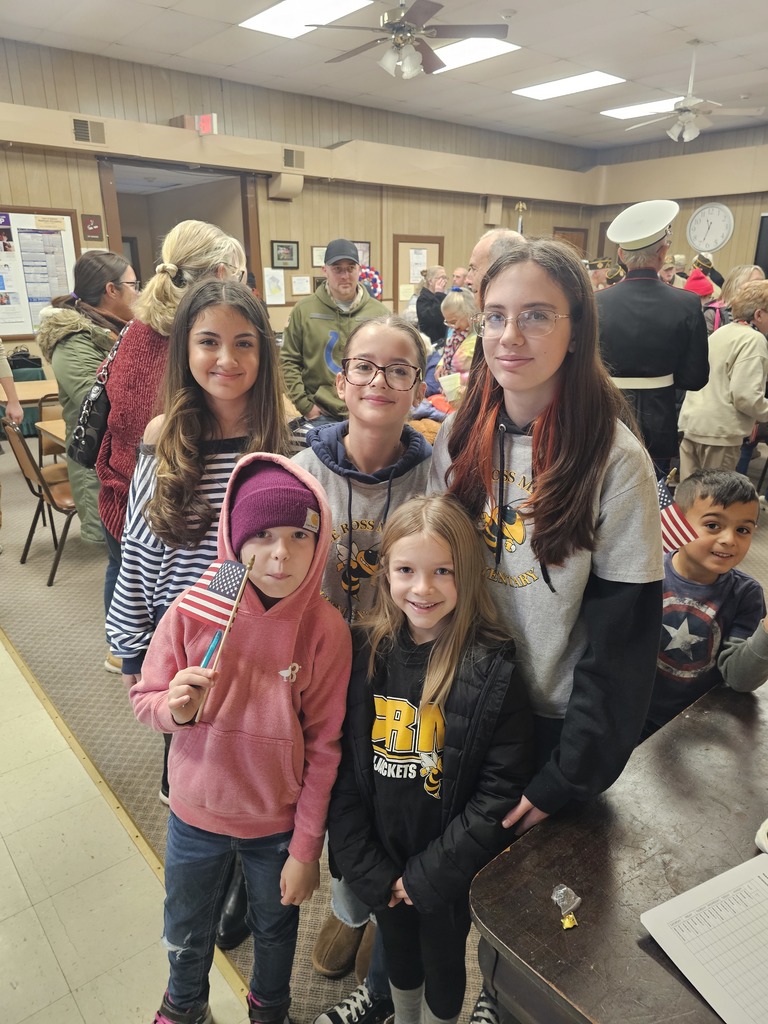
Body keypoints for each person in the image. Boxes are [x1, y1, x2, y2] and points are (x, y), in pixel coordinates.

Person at [428, 238, 662, 882]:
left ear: (576, 327)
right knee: (446, 860)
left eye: (536, 314)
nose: (511, 335)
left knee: (533, 891)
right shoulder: (458, 434)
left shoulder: (614, 459)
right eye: (496, 315)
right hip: (468, 699)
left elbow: (624, 640)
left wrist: (571, 772)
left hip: (553, 723)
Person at [130, 452, 352, 1024]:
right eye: (263, 536)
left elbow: (326, 747)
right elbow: (144, 700)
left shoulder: (325, 630)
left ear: (320, 537)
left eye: (300, 536)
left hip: (274, 825)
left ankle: (269, 1008)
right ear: (235, 537)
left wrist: (306, 849)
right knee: (185, 926)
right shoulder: (198, 607)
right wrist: (173, 709)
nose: (281, 554)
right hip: (194, 814)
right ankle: (183, 1006)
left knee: (275, 930)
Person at [328, 495, 534, 1024]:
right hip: (381, 863)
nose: (423, 588)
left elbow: (498, 793)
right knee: (398, 957)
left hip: (445, 875)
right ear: (386, 573)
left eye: (442, 571)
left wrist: (427, 877)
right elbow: (344, 769)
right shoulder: (363, 653)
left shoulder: (493, 667)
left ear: (467, 574)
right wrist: (369, 867)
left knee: (443, 966)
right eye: (406, 570)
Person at [294, 315, 431, 1024]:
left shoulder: (437, 473)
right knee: (332, 792)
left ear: (418, 384)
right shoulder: (301, 472)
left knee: (395, 797)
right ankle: (350, 907)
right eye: (365, 367)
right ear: (341, 380)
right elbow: (244, 563)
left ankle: (377, 916)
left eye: (399, 369)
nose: (380, 381)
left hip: (401, 669)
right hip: (320, 670)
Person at [97, 220, 246, 664]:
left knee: (127, 576)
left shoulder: (133, 329)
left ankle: (128, 650)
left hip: (121, 486)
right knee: (168, 634)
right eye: (238, 276)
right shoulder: (189, 349)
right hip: (170, 512)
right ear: (220, 276)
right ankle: (135, 654)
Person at [642, 470, 768, 739]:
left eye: (743, 529)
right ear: (679, 523)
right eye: (713, 525)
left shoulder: (746, 594)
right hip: (631, 713)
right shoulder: (647, 574)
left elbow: (740, 678)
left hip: (697, 724)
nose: (729, 539)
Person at [596, 199, 708, 472]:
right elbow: (695, 379)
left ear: (621, 256)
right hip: (658, 421)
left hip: (602, 415)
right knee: (652, 498)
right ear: (662, 253)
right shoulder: (687, 303)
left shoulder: (593, 302)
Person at [37, 250, 139, 546]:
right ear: (111, 289)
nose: (139, 293)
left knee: (126, 556)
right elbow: (94, 401)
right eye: (133, 285)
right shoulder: (73, 339)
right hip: (96, 462)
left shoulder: (114, 330)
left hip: (119, 458)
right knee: (117, 558)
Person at [280, 239, 388, 428]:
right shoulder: (304, 311)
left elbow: (389, 361)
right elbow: (289, 361)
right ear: (325, 271)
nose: (345, 275)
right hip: (320, 414)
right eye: (337, 269)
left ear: (359, 270)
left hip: (368, 411)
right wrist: (306, 407)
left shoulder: (379, 313)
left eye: (350, 268)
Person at [678, 280, 768, 479]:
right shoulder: (754, 340)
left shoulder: (720, 333)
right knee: (714, 498)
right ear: (759, 314)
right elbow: (745, 396)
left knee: (689, 495)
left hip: (693, 424)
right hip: (721, 434)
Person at [436, 287, 476, 380]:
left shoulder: (478, 338)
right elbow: (449, 354)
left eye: (453, 322)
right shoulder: (455, 334)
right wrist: (441, 365)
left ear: (469, 314)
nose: (451, 326)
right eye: (447, 322)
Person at [415, 266, 448, 347]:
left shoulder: (443, 296)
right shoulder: (422, 299)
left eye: (446, 278)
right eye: (441, 278)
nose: (445, 281)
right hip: (432, 344)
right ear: (430, 281)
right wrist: (439, 294)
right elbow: (434, 318)